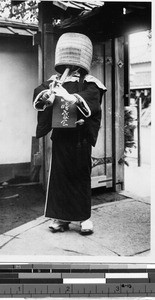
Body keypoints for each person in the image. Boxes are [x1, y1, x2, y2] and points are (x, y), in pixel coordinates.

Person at [33, 32, 106, 234]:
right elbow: (39, 98)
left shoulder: (90, 81)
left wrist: (71, 96)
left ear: (81, 59)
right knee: (60, 177)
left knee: (80, 177)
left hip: (80, 137)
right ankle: (61, 219)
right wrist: (47, 94)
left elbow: (92, 100)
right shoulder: (54, 80)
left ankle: (83, 219)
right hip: (61, 138)